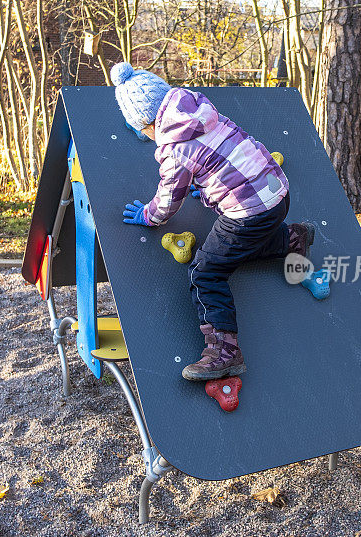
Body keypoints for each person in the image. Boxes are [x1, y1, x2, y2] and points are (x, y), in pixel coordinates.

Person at [112, 62, 326, 381]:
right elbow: (222, 153)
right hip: (277, 191)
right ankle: (292, 239)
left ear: (146, 124)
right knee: (237, 248)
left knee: (206, 270)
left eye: (143, 130)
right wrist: (206, 182)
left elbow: (169, 198)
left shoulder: (174, 148)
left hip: (249, 212)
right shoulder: (202, 110)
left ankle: (225, 351)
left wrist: (148, 215)